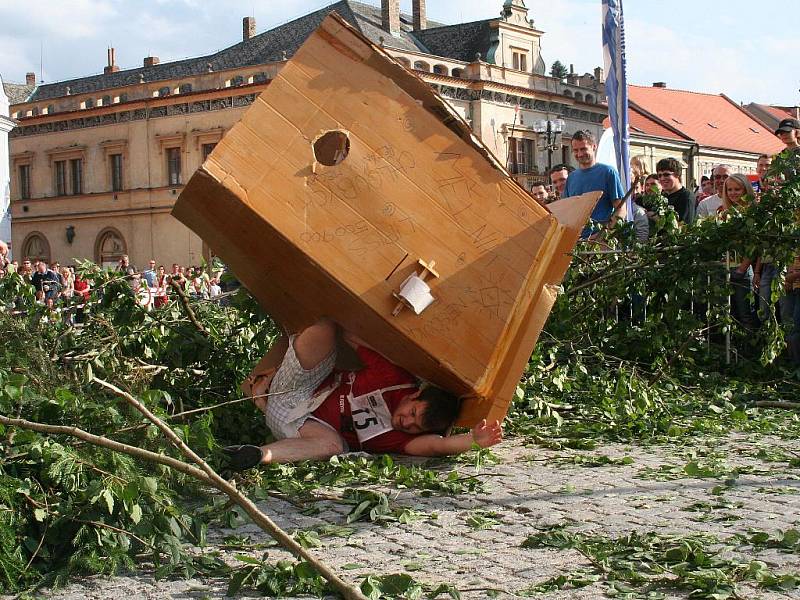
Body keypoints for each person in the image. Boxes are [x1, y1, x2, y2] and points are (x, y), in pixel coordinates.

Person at [224, 319, 502, 469]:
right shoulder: (395, 378)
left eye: (415, 427)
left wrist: (474, 441)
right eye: (412, 413)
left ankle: (257, 455)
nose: (407, 423)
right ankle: (266, 401)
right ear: (414, 396)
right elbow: (352, 333)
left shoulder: (398, 439)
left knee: (332, 448)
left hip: (310, 431)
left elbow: (437, 447)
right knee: (325, 329)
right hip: (298, 395)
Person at [561, 130, 625, 238]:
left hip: (600, 242)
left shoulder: (608, 172)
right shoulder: (571, 178)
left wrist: (605, 234)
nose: (580, 154)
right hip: (576, 243)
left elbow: (621, 209)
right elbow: (567, 213)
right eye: (576, 150)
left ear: (594, 147)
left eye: (583, 149)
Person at [720, 174, 757, 328]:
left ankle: (749, 348)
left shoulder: (752, 212)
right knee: (730, 313)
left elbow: (754, 245)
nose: (733, 193)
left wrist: (742, 268)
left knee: (745, 313)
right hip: (728, 267)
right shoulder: (726, 213)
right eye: (729, 189)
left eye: (737, 189)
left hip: (744, 268)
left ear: (745, 190)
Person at [656, 158, 694, 224]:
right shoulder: (662, 196)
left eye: (666, 174)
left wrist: (657, 219)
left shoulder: (686, 196)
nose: (662, 178)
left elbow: (683, 226)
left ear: (677, 175)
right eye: (659, 175)